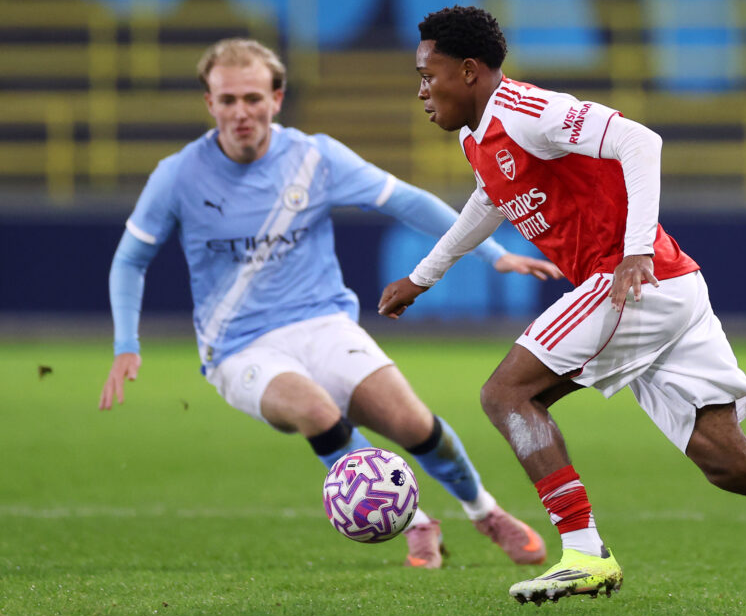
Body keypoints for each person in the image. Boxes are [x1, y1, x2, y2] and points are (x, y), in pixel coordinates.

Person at [378, 6, 746, 607]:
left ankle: (584, 554)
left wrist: (635, 250)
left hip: (629, 284)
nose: (420, 91)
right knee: (729, 461)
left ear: (468, 71)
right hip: (670, 288)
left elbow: (638, 140)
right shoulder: (480, 135)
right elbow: (491, 198)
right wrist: (425, 275)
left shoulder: (526, 111)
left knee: (506, 394)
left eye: (426, 75)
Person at [98, 37, 562, 570]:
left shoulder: (314, 157)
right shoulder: (178, 175)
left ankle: (485, 511)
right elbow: (130, 259)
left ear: (277, 97)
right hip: (238, 345)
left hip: (322, 323)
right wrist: (126, 344)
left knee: (412, 423)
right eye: (228, 101)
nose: (241, 112)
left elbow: (406, 200)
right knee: (317, 411)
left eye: (253, 98)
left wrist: (495, 254)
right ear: (210, 104)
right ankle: (416, 523)